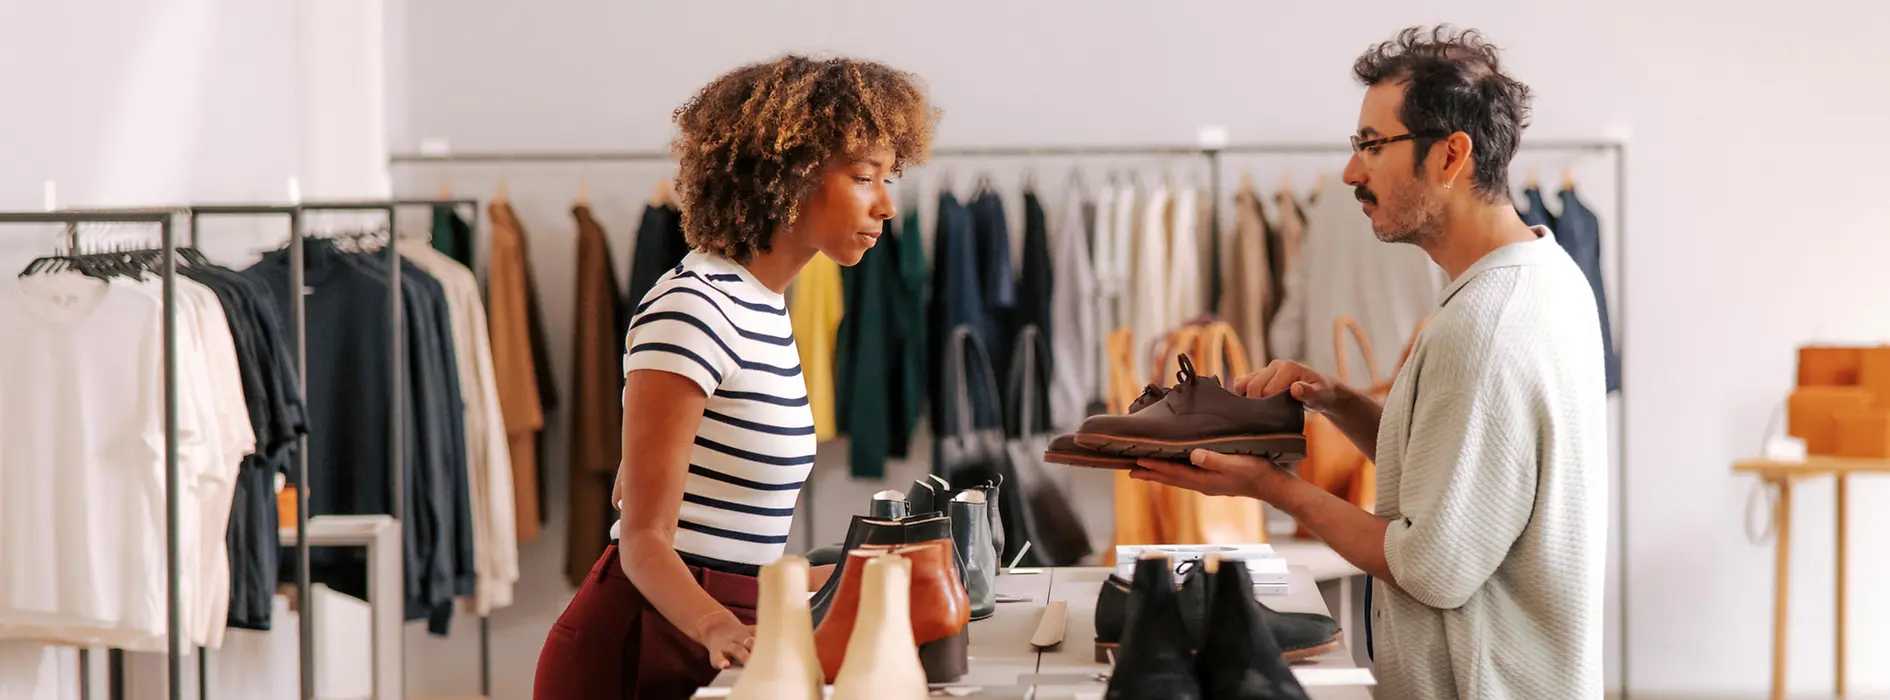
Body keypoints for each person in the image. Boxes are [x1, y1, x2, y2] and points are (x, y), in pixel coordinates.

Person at [1129, 26, 1607, 700]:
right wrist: (1336, 399)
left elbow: (1433, 565)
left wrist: (1267, 487)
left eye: (1372, 147)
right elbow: (1460, 485)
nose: (1353, 173)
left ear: (1451, 155)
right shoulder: (1546, 275)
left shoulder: (1484, 324)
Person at [533, 54, 937, 700]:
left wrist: (859, 573)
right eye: (866, 177)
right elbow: (641, 539)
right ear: (788, 175)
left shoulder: (761, 304)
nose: (887, 205)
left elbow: (728, 531)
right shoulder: (693, 307)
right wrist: (718, 625)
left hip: (718, 633)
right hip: (644, 645)